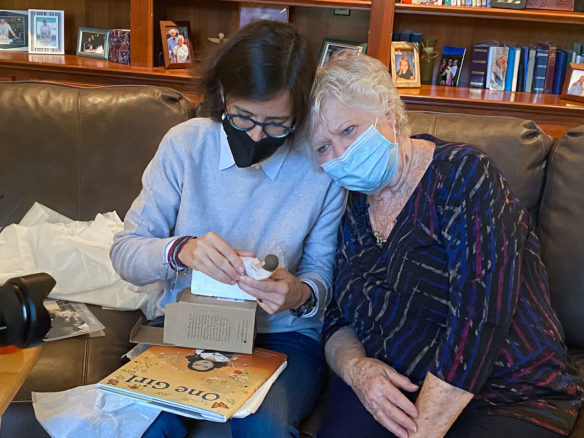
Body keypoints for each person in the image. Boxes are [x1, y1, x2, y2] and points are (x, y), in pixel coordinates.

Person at [308, 50, 584, 438]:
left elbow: (480, 318)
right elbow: (336, 312)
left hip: (505, 391)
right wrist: (357, 369)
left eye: (348, 131)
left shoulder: (464, 175)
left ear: (388, 111)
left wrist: (425, 429)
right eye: (323, 147)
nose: (340, 155)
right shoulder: (350, 205)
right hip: (396, 383)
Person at [110, 20, 344, 438]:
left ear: (301, 113)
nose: (256, 134)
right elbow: (125, 253)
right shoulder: (185, 145)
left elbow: (322, 275)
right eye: (243, 117)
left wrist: (299, 293)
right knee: (144, 424)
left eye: (277, 125)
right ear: (221, 96)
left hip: (282, 338)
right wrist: (181, 250)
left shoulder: (320, 166)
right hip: (186, 327)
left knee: (266, 431)